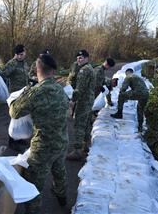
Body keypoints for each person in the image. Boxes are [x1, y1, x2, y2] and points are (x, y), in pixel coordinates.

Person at [9, 54, 69, 213]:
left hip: (43, 147)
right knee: (59, 171)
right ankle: (62, 198)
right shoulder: (60, 89)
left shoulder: (35, 92)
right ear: (53, 71)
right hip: (61, 141)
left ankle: (32, 210)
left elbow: (14, 112)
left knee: (33, 182)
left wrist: (26, 92)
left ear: (37, 69)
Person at [66, 50, 96, 161]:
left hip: (84, 101)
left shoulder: (84, 70)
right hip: (88, 100)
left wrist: (72, 100)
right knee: (86, 123)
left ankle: (77, 150)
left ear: (87, 58)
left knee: (79, 124)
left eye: (82, 57)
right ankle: (85, 145)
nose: (79, 59)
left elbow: (80, 89)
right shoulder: (88, 68)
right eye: (78, 57)